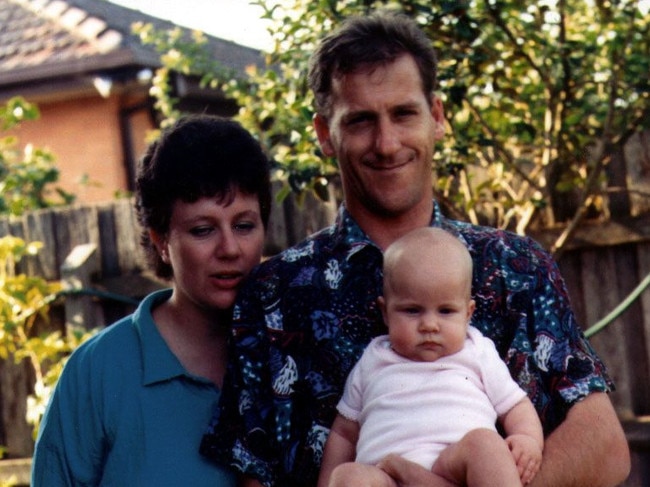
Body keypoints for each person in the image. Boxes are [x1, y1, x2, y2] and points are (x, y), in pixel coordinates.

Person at [200, 11, 630, 487]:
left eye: (404, 113)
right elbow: (255, 474)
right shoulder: (273, 295)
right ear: (325, 134)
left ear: (437, 118)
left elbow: (605, 447)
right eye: (360, 120)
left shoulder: (517, 267)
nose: (386, 144)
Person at [31, 115, 272, 486]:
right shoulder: (99, 372)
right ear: (161, 241)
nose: (230, 249)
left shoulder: (295, 353)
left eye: (244, 225)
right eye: (202, 230)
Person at [318, 227, 543, 487]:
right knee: (347, 477)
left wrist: (528, 439)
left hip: (454, 469)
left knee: (486, 445)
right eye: (412, 311)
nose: (429, 325)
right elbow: (344, 433)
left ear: (468, 313)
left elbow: (515, 405)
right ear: (386, 312)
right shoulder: (373, 359)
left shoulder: (477, 351)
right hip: (385, 476)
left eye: (446, 311)